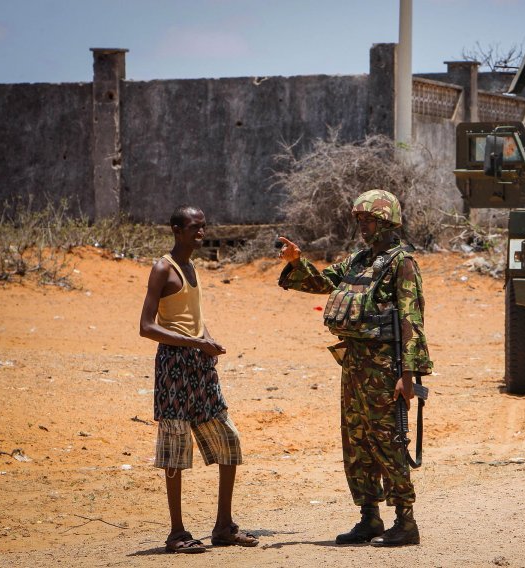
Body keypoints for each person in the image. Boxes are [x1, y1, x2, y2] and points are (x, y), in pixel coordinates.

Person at [277, 189, 433, 547]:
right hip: (354, 363)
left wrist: (407, 376)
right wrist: (296, 262)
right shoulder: (359, 260)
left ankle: (405, 521)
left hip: (385, 367)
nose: (363, 226)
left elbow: (412, 319)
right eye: (360, 220)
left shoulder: (402, 262)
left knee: (387, 440)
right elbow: (322, 283)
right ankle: (369, 516)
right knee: (356, 440)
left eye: (369, 220)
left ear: (387, 222)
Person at [139, 205, 257, 554]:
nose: (201, 233)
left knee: (229, 441)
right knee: (175, 449)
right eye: (194, 227)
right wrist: (194, 342)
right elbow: (146, 327)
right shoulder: (164, 268)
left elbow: (192, 317)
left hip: (199, 365)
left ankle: (223, 527)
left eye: (203, 227)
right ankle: (176, 533)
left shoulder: (192, 267)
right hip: (174, 366)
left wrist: (207, 340)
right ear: (176, 230)